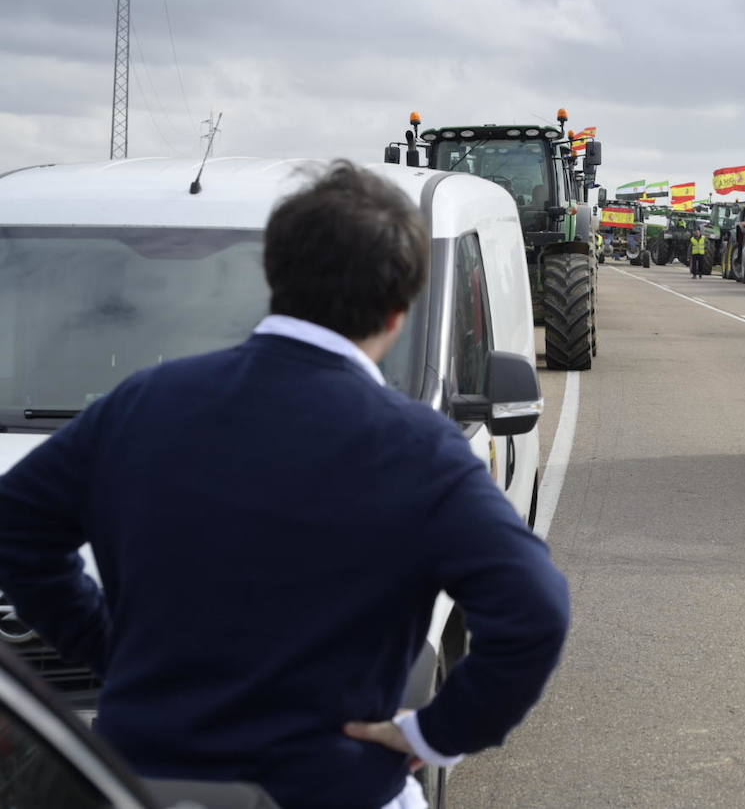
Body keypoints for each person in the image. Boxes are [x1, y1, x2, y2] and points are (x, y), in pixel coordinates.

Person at [0, 162, 571, 809]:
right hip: (331, 785)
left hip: (137, 779)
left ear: (274, 276)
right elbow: (535, 612)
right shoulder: (418, 447)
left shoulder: (142, 402)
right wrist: (438, 732)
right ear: (398, 310)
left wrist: (106, 646)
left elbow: (17, 526)